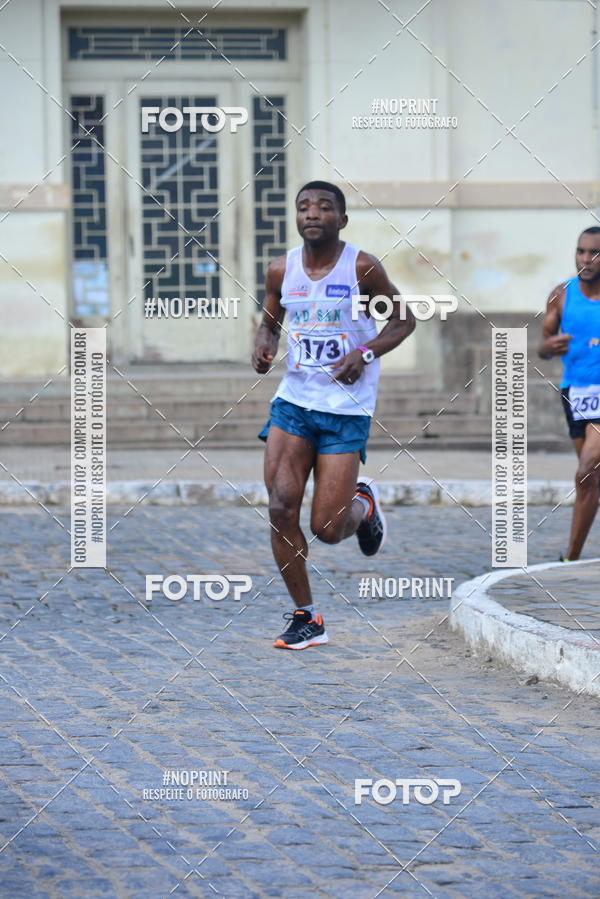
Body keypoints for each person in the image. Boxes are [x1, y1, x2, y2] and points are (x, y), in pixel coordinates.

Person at [251, 180, 416, 649]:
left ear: (342, 220)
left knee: (327, 528)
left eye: (325, 207)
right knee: (281, 507)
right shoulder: (281, 270)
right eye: (304, 207)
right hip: (295, 403)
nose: (313, 213)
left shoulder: (361, 268)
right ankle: (307, 617)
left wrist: (363, 353)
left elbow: (403, 320)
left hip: (346, 409)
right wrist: (264, 345)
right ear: (296, 217)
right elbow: (269, 321)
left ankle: (363, 508)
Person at [538, 226, 600, 560]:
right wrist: (548, 346)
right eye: (581, 251)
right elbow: (544, 345)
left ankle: (570, 560)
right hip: (575, 392)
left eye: (594, 253)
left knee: (586, 471)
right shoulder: (561, 294)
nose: (586, 259)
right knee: (592, 478)